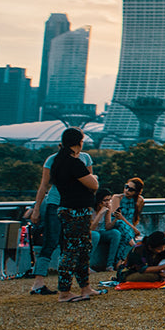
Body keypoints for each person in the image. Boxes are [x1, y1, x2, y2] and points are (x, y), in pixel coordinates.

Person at [41, 128, 102, 302]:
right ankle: (65, 292)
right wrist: (93, 176)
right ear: (78, 142)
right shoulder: (73, 163)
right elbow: (93, 184)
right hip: (76, 212)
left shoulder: (57, 162)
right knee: (71, 251)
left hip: (67, 208)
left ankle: (85, 287)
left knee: (83, 249)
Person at [23, 149, 73, 294]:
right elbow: (43, 185)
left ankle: (64, 284)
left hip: (71, 205)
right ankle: (38, 283)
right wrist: (36, 209)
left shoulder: (84, 159)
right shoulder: (53, 159)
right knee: (50, 242)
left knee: (68, 245)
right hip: (55, 204)